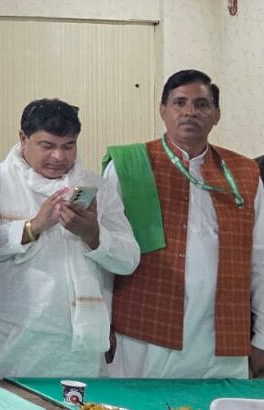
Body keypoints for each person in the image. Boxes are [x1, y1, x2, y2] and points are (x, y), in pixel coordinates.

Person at [102, 69, 264, 379]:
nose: (190, 112)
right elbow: (107, 254)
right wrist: (101, 324)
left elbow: (260, 258)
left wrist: (262, 337)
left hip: (221, 335)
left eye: (202, 104)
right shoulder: (130, 165)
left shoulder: (245, 172)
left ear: (216, 114)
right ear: (162, 110)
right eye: (179, 103)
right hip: (143, 332)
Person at [0, 99, 139, 378]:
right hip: (10, 341)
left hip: (76, 347)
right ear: (23, 138)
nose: (58, 157)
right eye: (47, 146)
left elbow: (129, 259)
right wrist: (33, 227)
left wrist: (94, 236)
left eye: (68, 146)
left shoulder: (96, 186)